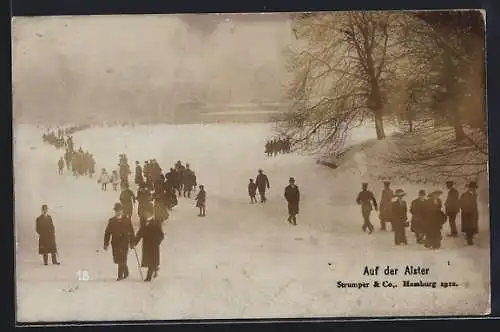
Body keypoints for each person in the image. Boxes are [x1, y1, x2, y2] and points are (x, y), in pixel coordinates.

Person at [103, 203, 135, 281]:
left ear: (122, 211)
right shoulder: (111, 221)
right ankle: (126, 271)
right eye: (117, 211)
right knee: (118, 259)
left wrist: (132, 242)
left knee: (122, 258)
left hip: (124, 243)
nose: (118, 212)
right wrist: (106, 243)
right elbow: (107, 233)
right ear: (115, 211)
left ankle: (120, 276)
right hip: (115, 243)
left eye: (120, 211)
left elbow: (131, 232)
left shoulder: (127, 220)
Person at [134, 207, 164, 282]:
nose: (145, 214)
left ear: (151, 214)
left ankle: (148, 277)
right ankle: (155, 268)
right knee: (149, 261)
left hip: (154, 245)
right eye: (145, 213)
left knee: (152, 261)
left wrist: (157, 242)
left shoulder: (156, 222)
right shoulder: (144, 223)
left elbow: (161, 235)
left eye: (147, 213)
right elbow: (140, 233)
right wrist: (134, 242)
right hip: (146, 245)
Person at [460, 181, 479, 245]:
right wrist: (466, 210)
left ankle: (470, 238)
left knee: (472, 227)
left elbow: (474, 204)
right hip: (467, 213)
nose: (473, 189)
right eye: (472, 188)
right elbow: (461, 204)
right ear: (469, 188)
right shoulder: (465, 195)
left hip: (473, 213)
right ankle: (469, 241)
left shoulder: (474, 195)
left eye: (474, 188)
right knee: (469, 227)